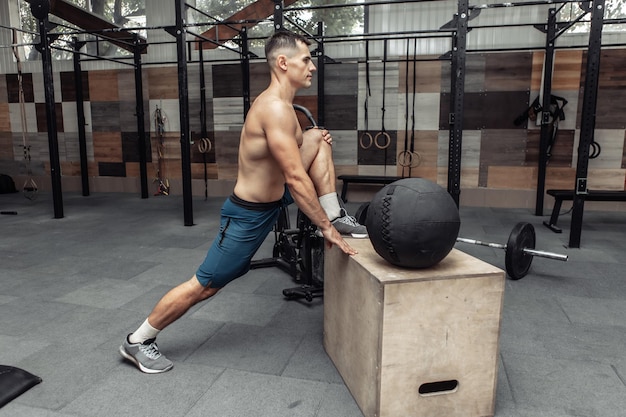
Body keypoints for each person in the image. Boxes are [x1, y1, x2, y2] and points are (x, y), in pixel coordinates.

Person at [119, 30, 367, 373]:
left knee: (316, 136)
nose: (312, 67)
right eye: (306, 59)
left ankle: (334, 211)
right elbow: (295, 178)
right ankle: (138, 340)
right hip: (247, 215)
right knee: (206, 285)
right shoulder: (274, 109)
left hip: (273, 200)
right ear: (283, 62)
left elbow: (298, 155)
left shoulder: (288, 110)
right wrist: (325, 231)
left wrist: (314, 138)